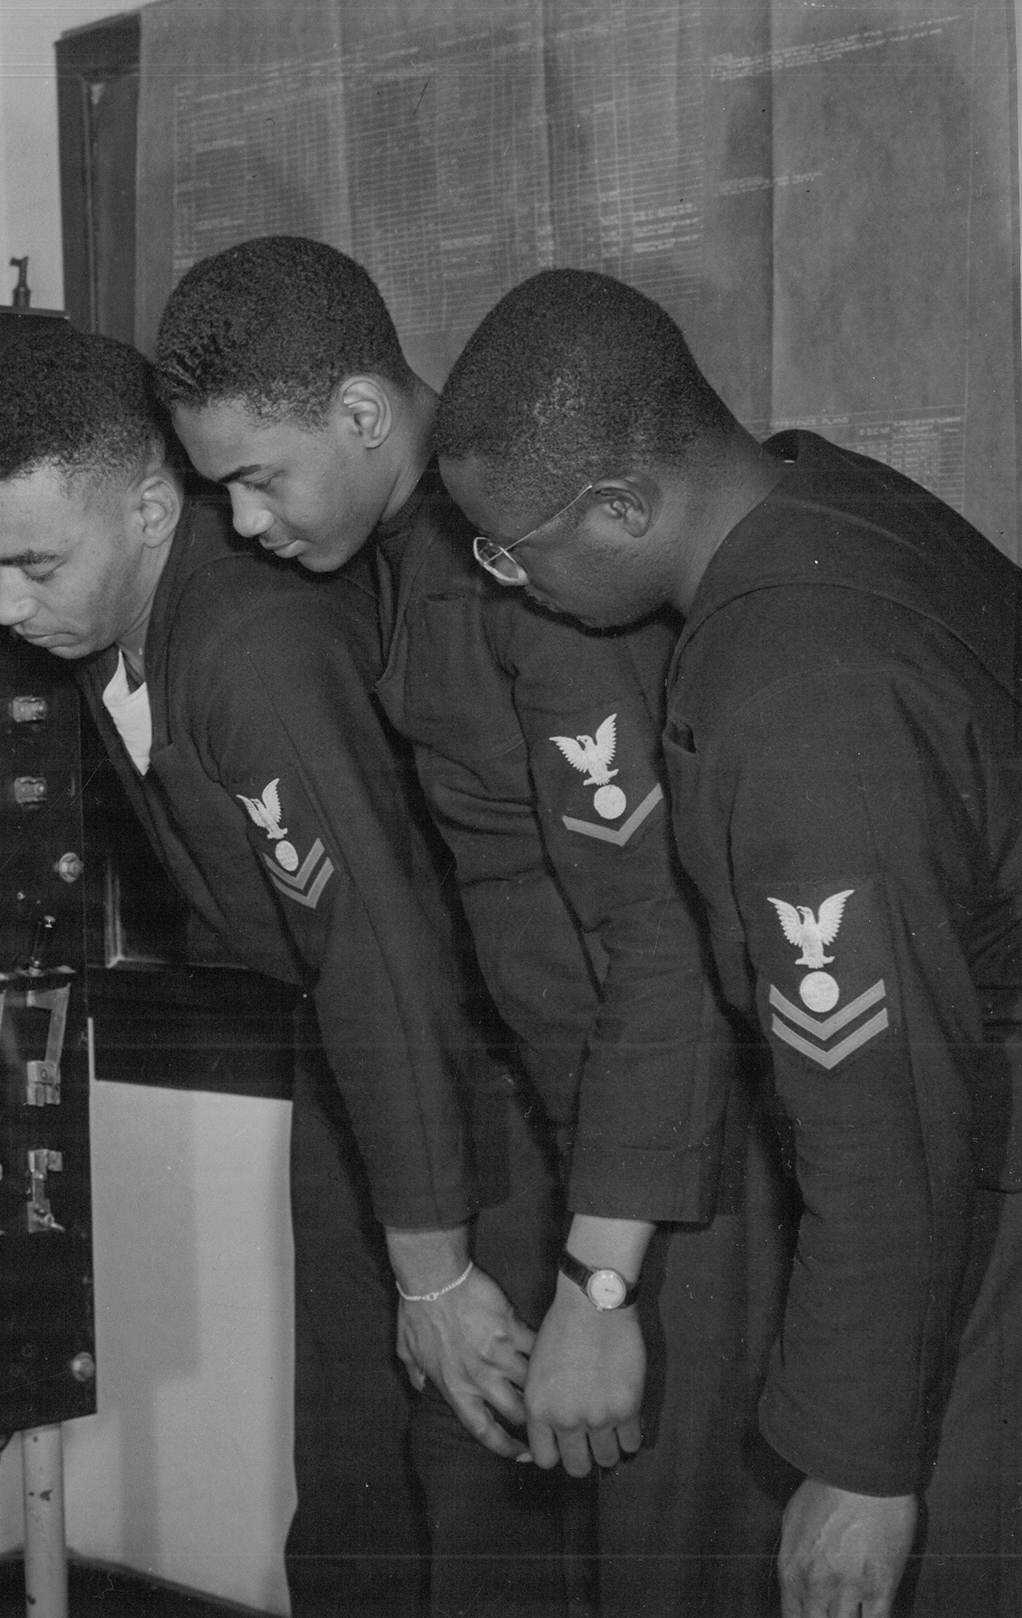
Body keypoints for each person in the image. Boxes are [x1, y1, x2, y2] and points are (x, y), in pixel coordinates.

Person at [154, 236, 794, 1616]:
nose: (248, 524)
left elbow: (665, 932)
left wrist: (603, 1284)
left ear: (365, 416)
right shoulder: (397, 562)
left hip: (685, 1158)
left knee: (676, 1572)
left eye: (261, 476)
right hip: (585, 1136)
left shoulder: (527, 574)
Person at [434, 266, 1022, 1618]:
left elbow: (886, 1103)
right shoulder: (823, 500)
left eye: (512, 549)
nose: (506, 581)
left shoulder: (799, 699)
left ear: (626, 507)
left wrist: (862, 1463)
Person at [0, 330, 571, 1617]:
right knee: (350, 1475)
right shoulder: (118, 623)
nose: (5, 609)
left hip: (454, 1071)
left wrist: (438, 1275)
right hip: (348, 1054)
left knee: (475, 1465)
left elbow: (382, 953)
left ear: (145, 506)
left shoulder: (250, 648)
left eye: (33, 566)